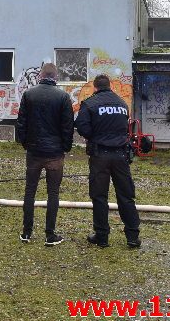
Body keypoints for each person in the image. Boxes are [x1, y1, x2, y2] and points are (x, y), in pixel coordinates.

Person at [75, 74, 141, 248]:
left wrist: (95, 135)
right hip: (121, 156)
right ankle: (132, 236)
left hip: (100, 155)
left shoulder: (89, 103)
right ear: (110, 86)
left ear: (95, 87)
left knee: (99, 196)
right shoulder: (122, 103)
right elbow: (125, 127)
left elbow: (81, 127)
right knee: (126, 196)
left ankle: (102, 236)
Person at [15, 63, 74, 246]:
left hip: (34, 150)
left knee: (30, 191)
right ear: (55, 77)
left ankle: (26, 232)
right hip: (55, 152)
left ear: (40, 75)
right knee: (53, 193)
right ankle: (50, 234)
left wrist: (25, 143)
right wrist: (65, 147)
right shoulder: (63, 97)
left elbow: (21, 122)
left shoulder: (29, 94)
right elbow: (67, 126)